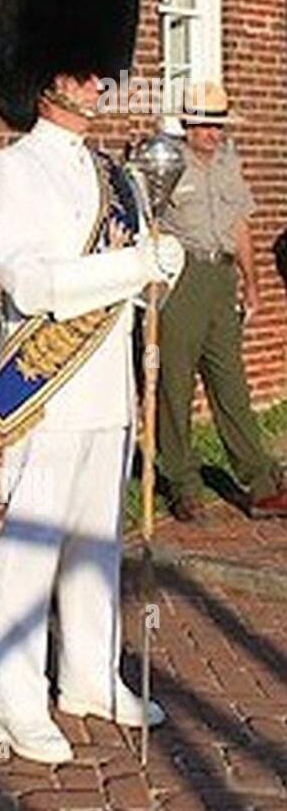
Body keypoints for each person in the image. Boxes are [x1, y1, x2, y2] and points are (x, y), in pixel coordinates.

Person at [0, 0, 185, 764]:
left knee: (95, 543)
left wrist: (159, 266)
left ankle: (91, 677)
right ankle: (17, 701)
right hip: (47, 389)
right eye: (83, 67)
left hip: (107, 388)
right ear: (43, 73)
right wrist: (135, 267)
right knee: (30, 548)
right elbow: (33, 285)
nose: (100, 81)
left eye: (100, 66)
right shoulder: (10, 172)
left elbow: (141, 282)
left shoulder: (116, 177)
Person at [157, 84, 287, 520]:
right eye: (204, 125)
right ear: (187, 124)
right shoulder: (165, 163)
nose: (212, 133)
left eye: (218, 125)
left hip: (220, 278)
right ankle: (182, 482)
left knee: (231, 382)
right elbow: (146, 223)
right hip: (181, 279)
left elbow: (240, 228)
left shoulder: (230, 164)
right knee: (174, 384)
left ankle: (261, 484)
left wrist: (251, 283)